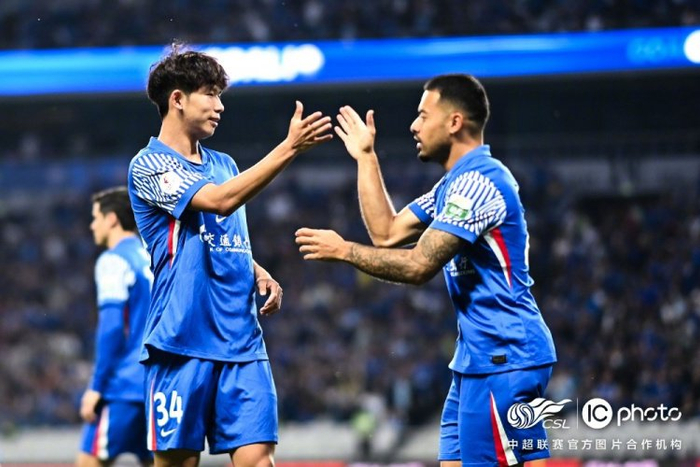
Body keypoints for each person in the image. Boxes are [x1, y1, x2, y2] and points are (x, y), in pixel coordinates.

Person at [295, 74, 558, 466]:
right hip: (478, 359)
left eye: (423, 115)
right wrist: (366, 158)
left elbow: (419, 265)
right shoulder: (452, 186)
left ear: (454, 122)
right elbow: (387, 233)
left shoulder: (479, 184)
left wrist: (345, 251)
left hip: (504, 355)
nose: (413, 126)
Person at [127, 44, 332, 467]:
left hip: (242, 342)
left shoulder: (224, 164)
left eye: (220, 95)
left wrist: (258, 271)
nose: (220, 106)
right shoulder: (148, 166)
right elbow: (219, 202)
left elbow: (221, 235)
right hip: (181, 342)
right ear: (177, 99)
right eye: (210, 93)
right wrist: (289, 147)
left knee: (259, 460)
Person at [77, 186, 153, 467]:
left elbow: (111, 328)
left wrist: (97, 386)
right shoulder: (154, 257)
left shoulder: (113, 261)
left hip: (123, 386)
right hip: (158, 383)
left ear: (111, 219)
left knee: (89, 461)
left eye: (95, 218)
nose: (92, 225)